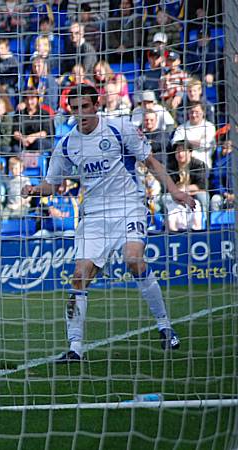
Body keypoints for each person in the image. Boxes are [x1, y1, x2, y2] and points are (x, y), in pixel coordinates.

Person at [26, 84, 196, 362]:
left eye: (85, 106)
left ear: (97, 105)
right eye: (75, 108)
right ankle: (75, 348)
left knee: (134, 260)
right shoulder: (67, 144)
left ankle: (165, 326)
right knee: (80, 276)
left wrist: (175, 191)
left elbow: (150, 162)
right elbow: (51, 184)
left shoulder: (120, 128)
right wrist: (35, 190)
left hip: (129, 205)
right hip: (93, 214)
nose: (81, 113)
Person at [164, 140, 207, 231]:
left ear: (190, 152)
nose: (180, 154)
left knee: (202, 196)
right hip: (176, 195)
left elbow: (201, 185)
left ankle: (202, 226)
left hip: (194, 194)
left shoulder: (199, 165)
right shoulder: (171, 167)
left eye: (183, 151)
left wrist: (184, 189)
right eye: (177, 151)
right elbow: (168, 186)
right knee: (166, 198)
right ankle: (171, 229)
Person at [171, 101, 216, 168]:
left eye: (196, 112)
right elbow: (174, 143)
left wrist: (186, 142)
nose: (194, 115)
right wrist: (198, 142)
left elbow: (207, 144)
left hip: (203, 165)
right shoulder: (181, 128)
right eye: (191, 112)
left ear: (203, 112)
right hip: (184, 166)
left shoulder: (209, 127)